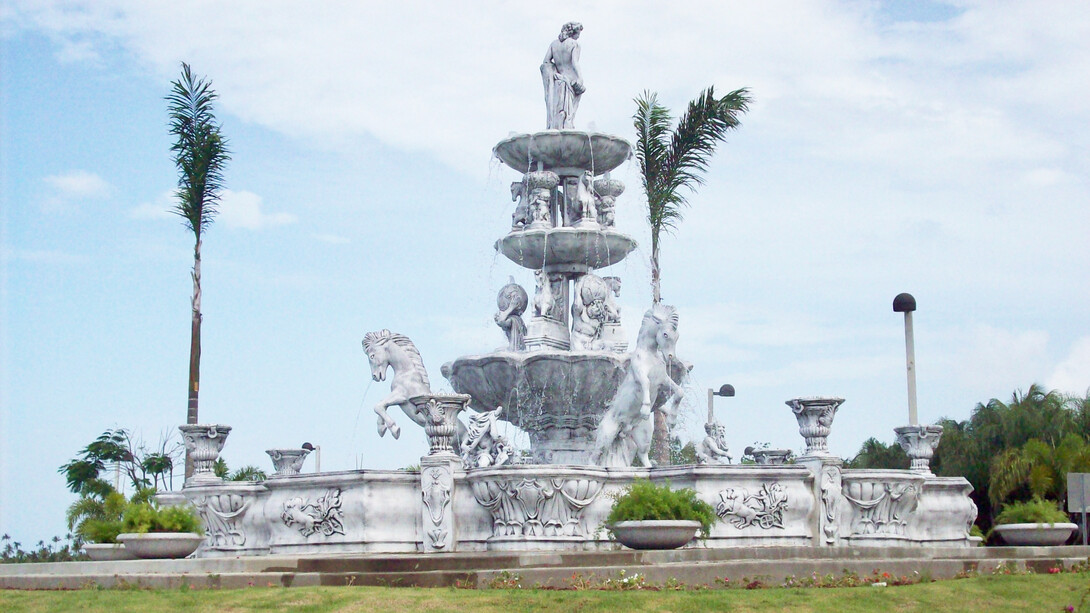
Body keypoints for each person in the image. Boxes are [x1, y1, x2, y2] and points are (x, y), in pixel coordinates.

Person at [541, 22, 584, 129]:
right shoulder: (574, 44)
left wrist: (554, 73)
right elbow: (575, 63)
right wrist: (580, 78)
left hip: (557, 80)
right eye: (578, 33)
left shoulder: (553, 44)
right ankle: (568, 124)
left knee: (558, 109)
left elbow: (546, 62)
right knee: (569, 113)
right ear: (574, 32)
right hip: (571, 80)